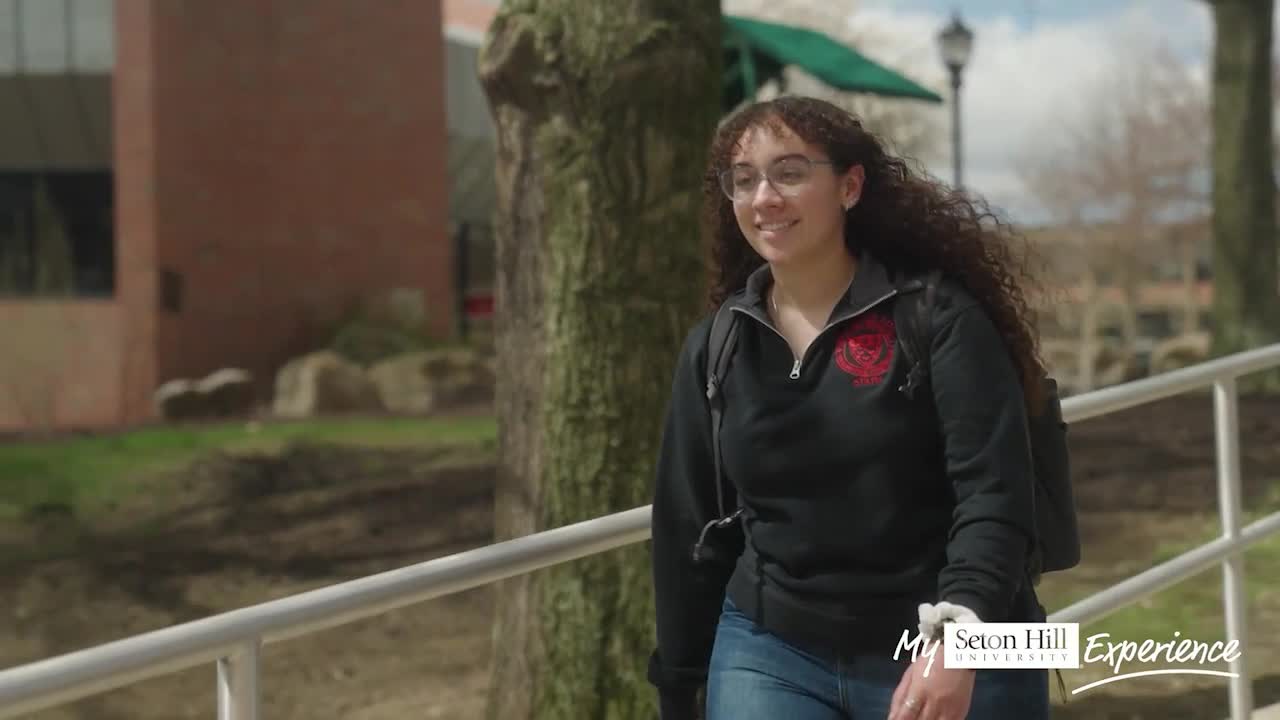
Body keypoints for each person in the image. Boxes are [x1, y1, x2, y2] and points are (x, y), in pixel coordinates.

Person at [645, 95, 1052, 720]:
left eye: (789, 172)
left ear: (850, 187)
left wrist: (962, 640)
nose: (763, 199)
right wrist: (679, 681)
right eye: (744, 179)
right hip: (771, 647)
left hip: (961, 632)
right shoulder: (718, 343)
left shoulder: (939, 318)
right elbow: (687, 523)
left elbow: (996, 494)